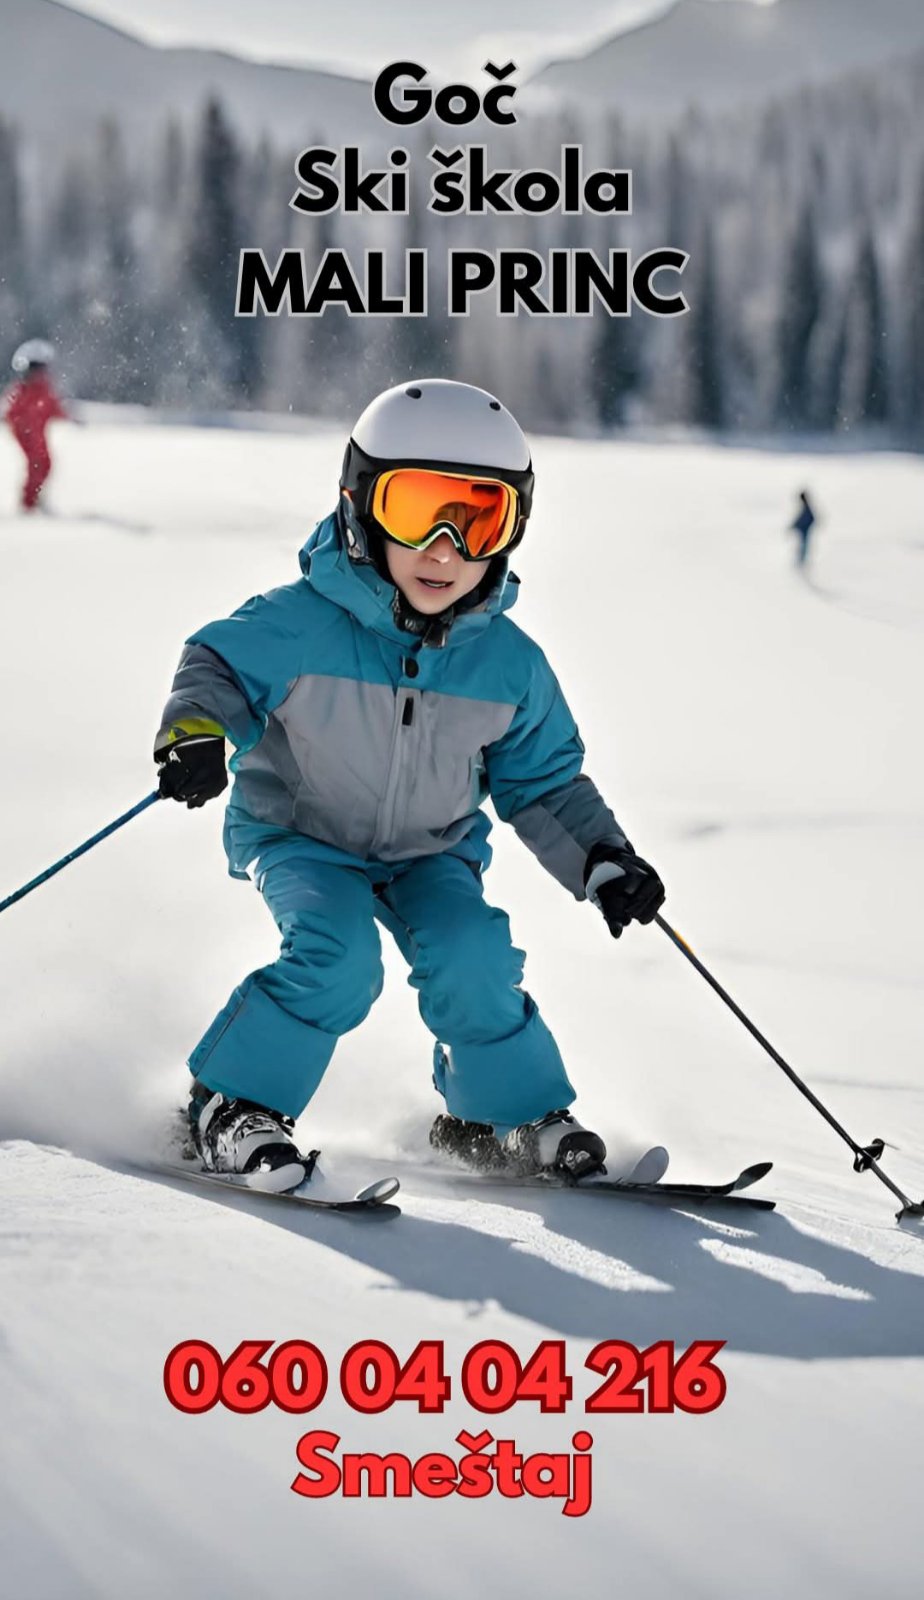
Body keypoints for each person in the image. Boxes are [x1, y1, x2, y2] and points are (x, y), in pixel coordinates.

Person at [155, 379, 666, 1192]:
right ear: (360, 507)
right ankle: (230, 1104)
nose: (444, 550)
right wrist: (195, 735)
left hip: (431, 853)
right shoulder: (298, 622)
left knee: (474, 958)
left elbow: (542, 781)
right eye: (416, 510)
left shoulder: (508, 664)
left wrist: (602, 857)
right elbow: (215, 666)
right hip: (305, 837)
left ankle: (502, 1116)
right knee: (338, 958)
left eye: (477, 521)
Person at [2, 340, 69, 512]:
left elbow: (54, 408)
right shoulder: (23, 390)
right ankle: (28, 503)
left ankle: (33, 498)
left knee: (44, 463)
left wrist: (70, 417)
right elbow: (10, 410)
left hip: (36, 432)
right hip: (25, 433)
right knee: (37, 464)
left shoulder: (43, 389)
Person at [790, 489, 816, 568]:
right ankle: (801, 561)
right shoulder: (804, 507)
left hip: (804, 530)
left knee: (804, 545)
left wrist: (803, 526)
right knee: (802, 545)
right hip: (802, 530)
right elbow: (800, 519)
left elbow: (810, 519)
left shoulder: (807, 508)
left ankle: (802, 562)